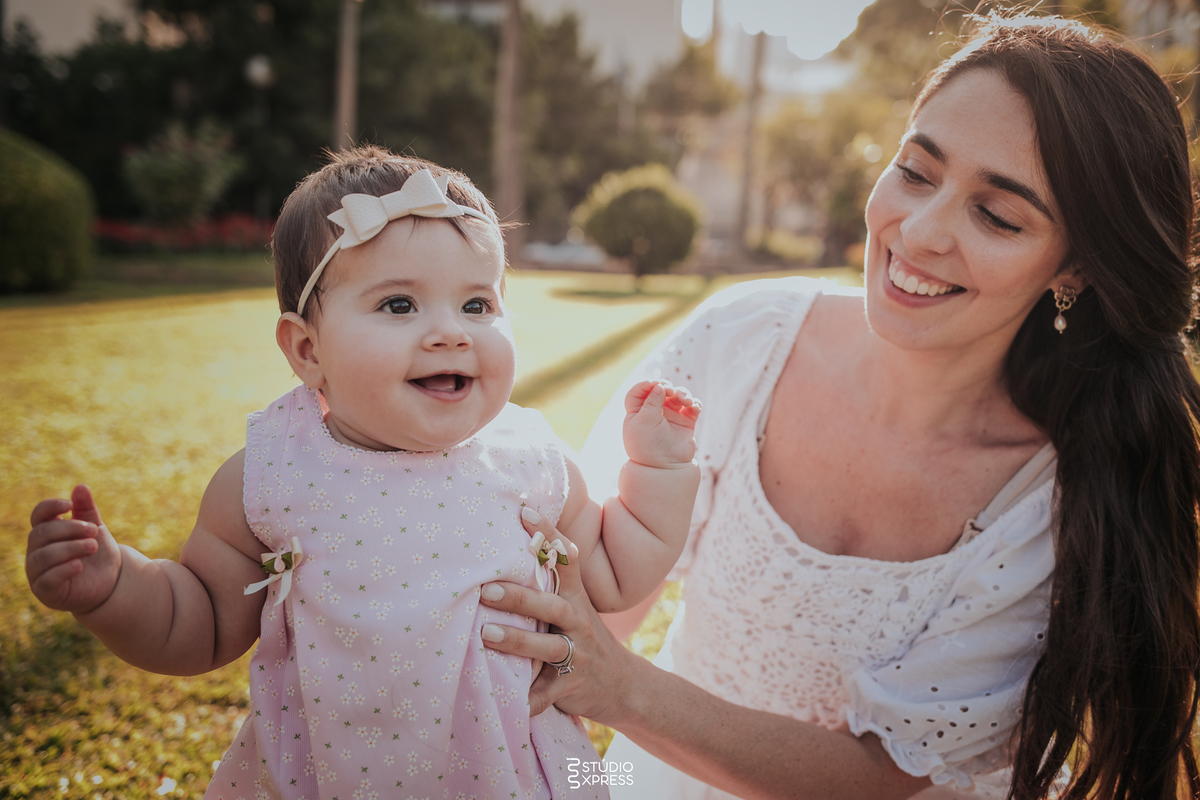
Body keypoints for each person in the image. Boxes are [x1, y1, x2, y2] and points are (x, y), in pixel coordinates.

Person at [476, 14, 1200, 800]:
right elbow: (584, 614)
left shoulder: (1049, 495)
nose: (919, 232)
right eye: (917, 172)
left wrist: (617, 689)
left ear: (1077, 268)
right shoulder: (741, 341)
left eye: (996, 215)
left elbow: (876, 777)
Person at [22, 148, 703, 800]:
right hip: (326, 777)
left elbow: (614, 572)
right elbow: (196, 620)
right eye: (400, 305)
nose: (451, 333)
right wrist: (113, 587)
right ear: (307, 349)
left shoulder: (530, 459)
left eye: (477, 305)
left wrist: (659, 470)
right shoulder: (272, 476)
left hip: (520, 771)